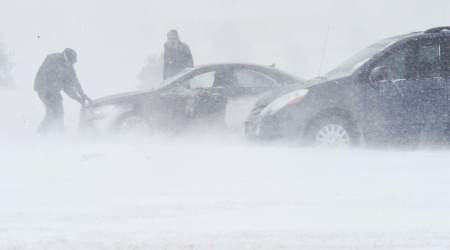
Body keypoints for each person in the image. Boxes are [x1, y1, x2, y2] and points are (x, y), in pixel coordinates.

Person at [34, 48, 92, 133]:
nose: (72, 64)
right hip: (43, 89)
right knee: (53, 112)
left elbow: (74, 82)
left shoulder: (69, 66)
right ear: (68, 58)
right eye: (72, 62)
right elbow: (61, 83)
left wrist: (82, 96)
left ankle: (58, 133)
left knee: (59, 112)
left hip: (54, 91)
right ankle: (42, 134)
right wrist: (57, 87)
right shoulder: (52, 58)